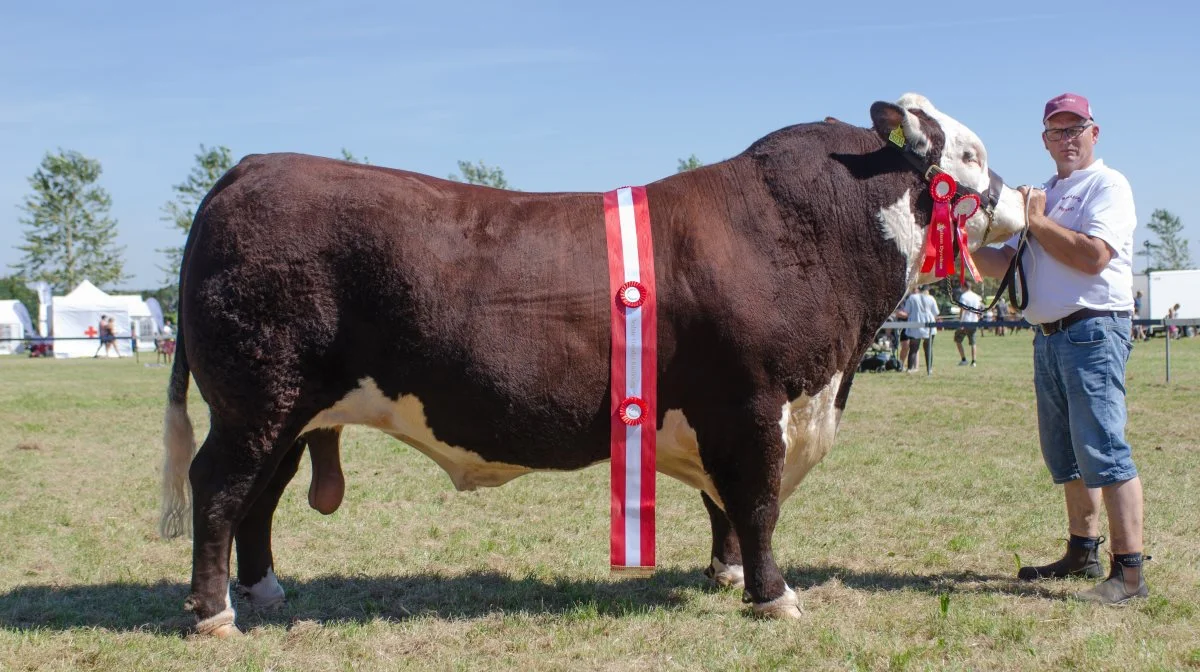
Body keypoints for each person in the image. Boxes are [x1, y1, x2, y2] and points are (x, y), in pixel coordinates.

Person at [973, 93, 1146, 604]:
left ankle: (1130, 573)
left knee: (1105, 450)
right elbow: (1009, 264)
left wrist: (1036, 219)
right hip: (1049, 336)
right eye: (1057, 131)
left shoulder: (1107, 185)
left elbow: (1094, 257)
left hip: (1093, 330)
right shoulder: (1047, 191)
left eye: (1076, 129)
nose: (1067, 139)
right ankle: (1082, 550)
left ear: (1095, 134)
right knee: (1067, 456)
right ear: (1044, 139)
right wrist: (955, 242)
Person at [899, 285, 939, 374]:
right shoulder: (931, 298)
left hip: (915, 325)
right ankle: (929, 369)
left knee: (913, 348)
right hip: (929, 325)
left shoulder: (912, 298)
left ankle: (909, 369)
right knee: (928, 348)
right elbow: (935, 313)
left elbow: (907, 311)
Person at [954, 284, 983, 367]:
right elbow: (978, 310)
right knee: (973, 342)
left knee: (957, 340)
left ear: (964, 287)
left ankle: (963, 359)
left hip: (965, 321)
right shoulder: (976, 296)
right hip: (974, 322)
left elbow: (962, 309)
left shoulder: (963, 296)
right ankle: (974, 361)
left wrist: (961, 321)